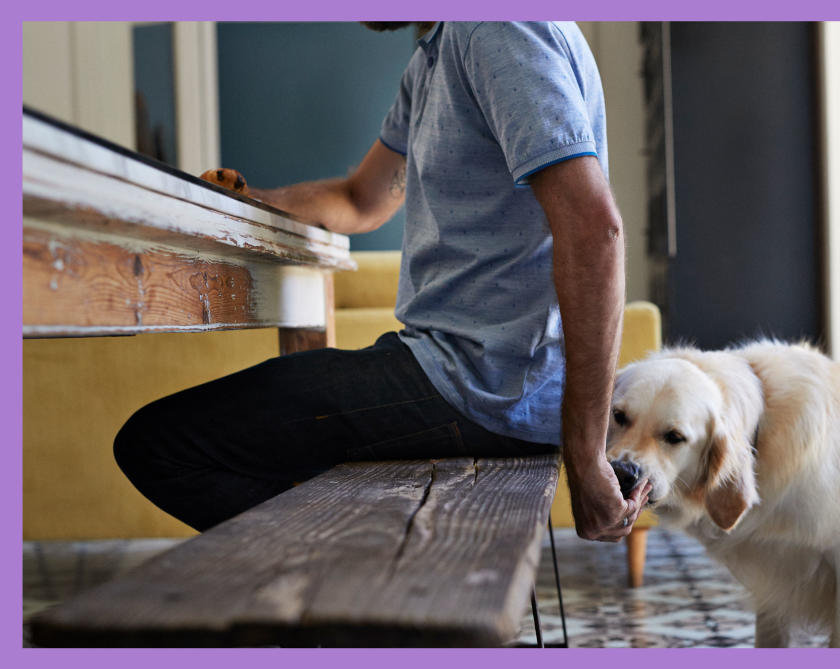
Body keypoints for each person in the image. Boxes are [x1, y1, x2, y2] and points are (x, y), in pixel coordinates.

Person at [114, 21, 650, 543]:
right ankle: (363, 585)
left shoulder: (496, 28)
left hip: (484, 388)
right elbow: (359, 200)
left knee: (160, 444)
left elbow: (594, 228)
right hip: (462, 375)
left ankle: (358, 594)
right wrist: (247, 201)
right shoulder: (436, 57)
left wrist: (585, 455)